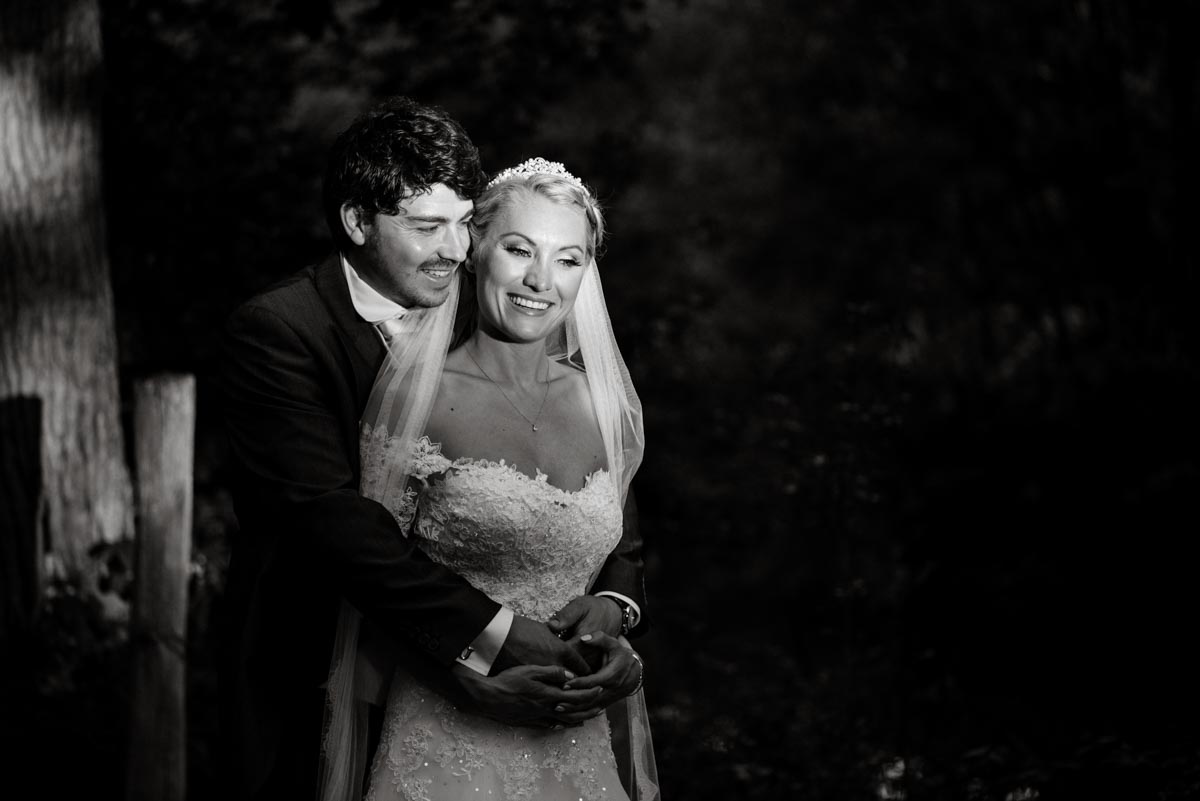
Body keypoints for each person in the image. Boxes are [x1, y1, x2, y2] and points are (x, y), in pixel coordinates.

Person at [217, 98, 649, 800]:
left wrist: (612, 604)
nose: (453, 249)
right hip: (313, 673)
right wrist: (484, 655)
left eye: (463, 223)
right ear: (358, 222)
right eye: (427, 227)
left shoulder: (498, 319)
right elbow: (338, 527)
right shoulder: (282, 331)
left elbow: (600, 504)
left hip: (548, 704)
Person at [319, 157, 658, 801]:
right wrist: (463, 672)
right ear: (476, 250)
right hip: (447, 740)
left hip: (578, 747)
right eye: (519, 250)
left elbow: (623, 546)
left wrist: (616, 622)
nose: (540, 280)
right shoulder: (416, 401)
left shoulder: (606, 406)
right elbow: (366, 580)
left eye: (568, 259)